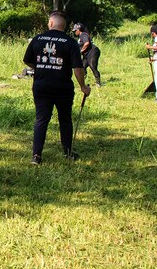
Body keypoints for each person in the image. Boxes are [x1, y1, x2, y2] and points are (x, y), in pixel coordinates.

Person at [22, 12, 91, 165]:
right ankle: (67, 152)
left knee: (41, 120)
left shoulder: (37, 39)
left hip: (41, 86)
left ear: (51, 24)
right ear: (63, 26)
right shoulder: (70, 42)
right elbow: (77, 68)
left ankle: (36, 155)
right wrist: (83, 86)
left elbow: (27, 60)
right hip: (62, 87)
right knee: (65, 119)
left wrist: (41, 68)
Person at [72, 22, 102, 87]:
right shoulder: (80, 37)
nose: (75, 32)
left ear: (79, 29)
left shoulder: (83, 35)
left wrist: (81, 51)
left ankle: (98, 83)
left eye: (75, 30)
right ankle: (83, 82)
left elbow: (87, 43)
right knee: (82, 67)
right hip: (86, 55)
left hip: (93, 52)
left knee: (92, 66)